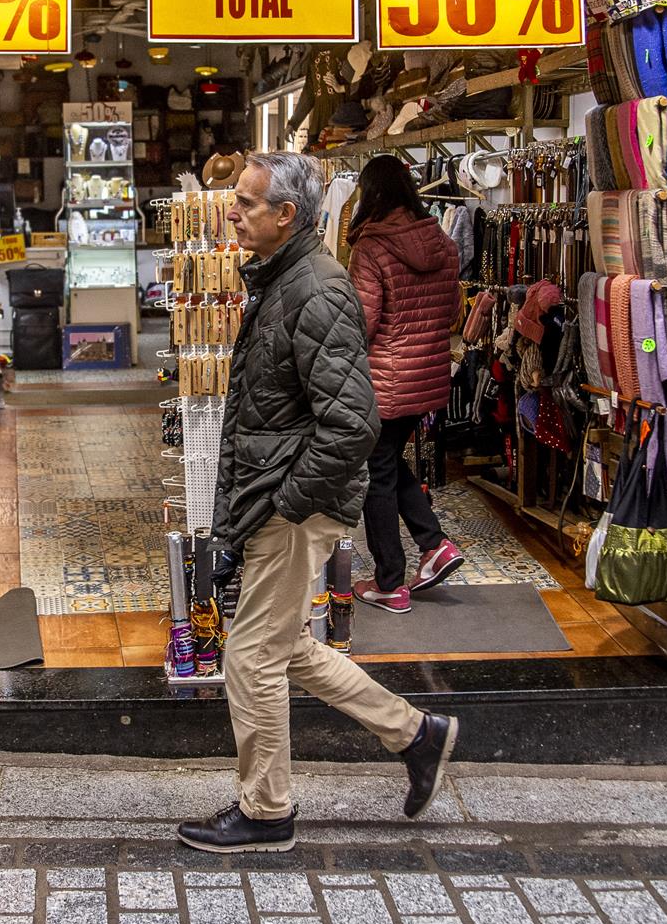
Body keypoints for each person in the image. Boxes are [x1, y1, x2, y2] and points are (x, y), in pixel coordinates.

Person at [178, 151, 459, 854]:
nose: (233, 211)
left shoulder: (317, 289)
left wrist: (288, 500)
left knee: (250, 655)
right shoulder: (282, 278)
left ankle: (267, 810)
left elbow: (353, 422)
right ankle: (416, 734)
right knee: (285, 646)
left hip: (293, 505)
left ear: (287, 217)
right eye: (235, 199)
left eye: (246, 202)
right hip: (280, 495)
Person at [347, 156, 466, 613]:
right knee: (388, 462)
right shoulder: (443, 242)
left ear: (369, 192)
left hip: (385, 380)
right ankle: (434, 545)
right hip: (428, 378)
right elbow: (451, 311)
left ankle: (389, 582)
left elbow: (363, 322)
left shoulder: (371, 248)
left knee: (375, 474)